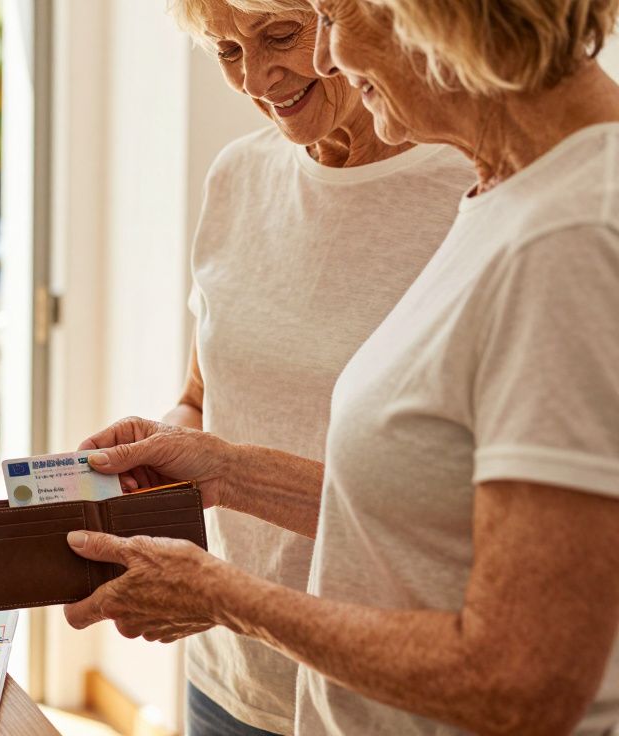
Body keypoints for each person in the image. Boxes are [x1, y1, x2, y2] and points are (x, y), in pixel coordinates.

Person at [66, 0, 619, 732]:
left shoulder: (573, 234)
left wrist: (224, 596)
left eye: (330, 17)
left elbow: (520, 676)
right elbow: (415, 512)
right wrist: (227, 471)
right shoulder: (505, 195)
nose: (329, 57)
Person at [154, 0, 471, 732]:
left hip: (385, 685)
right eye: (228, 51)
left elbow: (469, 514)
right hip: (231, 671)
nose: (258, 78)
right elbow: (203, 398)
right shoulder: (237, 176)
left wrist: (229, 471)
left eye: (281, 36)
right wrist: (152, 460)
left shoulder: (470, 193)